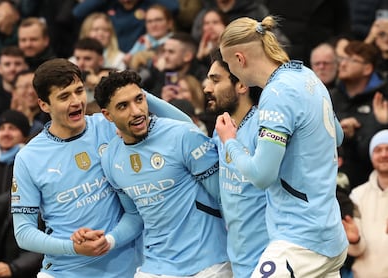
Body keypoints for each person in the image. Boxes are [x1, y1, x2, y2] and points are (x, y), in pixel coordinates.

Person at [10, 58, 191, 277]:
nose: (76, 101)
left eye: (79, 91)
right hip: (63, 271)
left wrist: (133, 92)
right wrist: (72, 247)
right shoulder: (28, 157)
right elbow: (23, 233)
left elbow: (186, 127)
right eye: (64, 96)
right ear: (44, 105)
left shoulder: (109, 126)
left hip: (127, 267)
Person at [217, 16, 348, 277]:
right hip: (328, 234)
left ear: (240, 59)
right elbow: (339, 136)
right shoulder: (306, 75)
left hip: (301, 242)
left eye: (229, 65)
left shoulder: (277, 95)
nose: (232, 73)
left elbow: (262, 176)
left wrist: (230, 141)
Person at [88, 69, 231, 277]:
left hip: (208, 263)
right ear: (107, 115)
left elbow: (224, 196)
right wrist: (109, 240)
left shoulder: (182, 135)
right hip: (155, 266)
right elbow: (134, 216)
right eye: (123, 106)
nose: (136, 111)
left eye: (139, 99)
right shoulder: (110, 158)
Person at [203, 48, 267, 277]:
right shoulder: (221, 130)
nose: (206, 88)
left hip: (271, 256)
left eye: (215, 80)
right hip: (238, 258)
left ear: (241, 85)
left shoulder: (264, 125)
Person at [0, 109, 42, 278]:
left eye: (12, 128)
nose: (6, 133)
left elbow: (45, 244)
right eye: (2, 128)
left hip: (21, 261)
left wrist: (14, 267)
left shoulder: (28, 166)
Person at [331, 40, 388, 188]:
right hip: (329, 185)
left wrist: (355, 135)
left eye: (351, 60)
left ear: (367, 69)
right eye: (342, 59)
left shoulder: (381, 100)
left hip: (368, 186)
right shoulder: (330, 96)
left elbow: (378, 155)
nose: (343, 64)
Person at [342, 129, 388, 277]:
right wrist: (354, 240)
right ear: (371, 156)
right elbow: (356, 250)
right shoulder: (357, 195)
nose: (383, 154)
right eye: (378, 149)